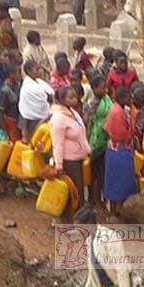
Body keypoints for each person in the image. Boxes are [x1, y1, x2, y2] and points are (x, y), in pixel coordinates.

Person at [51, 86, 91, 218]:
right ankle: (70, 221)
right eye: (71, 97)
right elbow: (58, 144)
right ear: (62, 100)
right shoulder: (59, 118)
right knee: (73, 192)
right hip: (69, 161)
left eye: (75, 96)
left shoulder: (73, 113)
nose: (75, 99)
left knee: (78, 191)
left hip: (78, 159)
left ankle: (76, 219)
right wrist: (59, 166)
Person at [103, 86, 138, 216]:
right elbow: (123, 135)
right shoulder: (117, 112)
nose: (130, 100)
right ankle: (114, 212)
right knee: (118, 181)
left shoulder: (119, 109)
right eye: (128, 97)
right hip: (119, 151)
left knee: (119, 181)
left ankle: (118, 210)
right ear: (122, 98)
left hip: (117, 150)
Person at [83, 76, 113, 207]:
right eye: (102, 88)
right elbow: (88, 122)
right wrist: (87, 142)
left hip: (105, 138)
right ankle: (94, 199)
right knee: (95, 172)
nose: (105, 90)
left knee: (102, 171)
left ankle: (97, 198)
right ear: (94, 89)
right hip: (95, 140)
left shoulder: (107, 100)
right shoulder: (92, 104)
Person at [19, 60, 54, 143]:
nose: (39, 71)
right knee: (35, 141)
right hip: (33, 120)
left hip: (43, 118)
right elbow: (25, 112)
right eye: (36, 69)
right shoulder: (28, 87)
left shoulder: (39, 82)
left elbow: (49, 94)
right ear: (29, 71)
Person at [0, 62, 22, 142]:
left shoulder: (18, 85)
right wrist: (5, 131)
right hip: (10, 122)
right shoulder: (5, 90)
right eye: (18, 72)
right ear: (12, 74)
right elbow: (0, 112)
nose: (20, 74)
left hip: (18, 120)